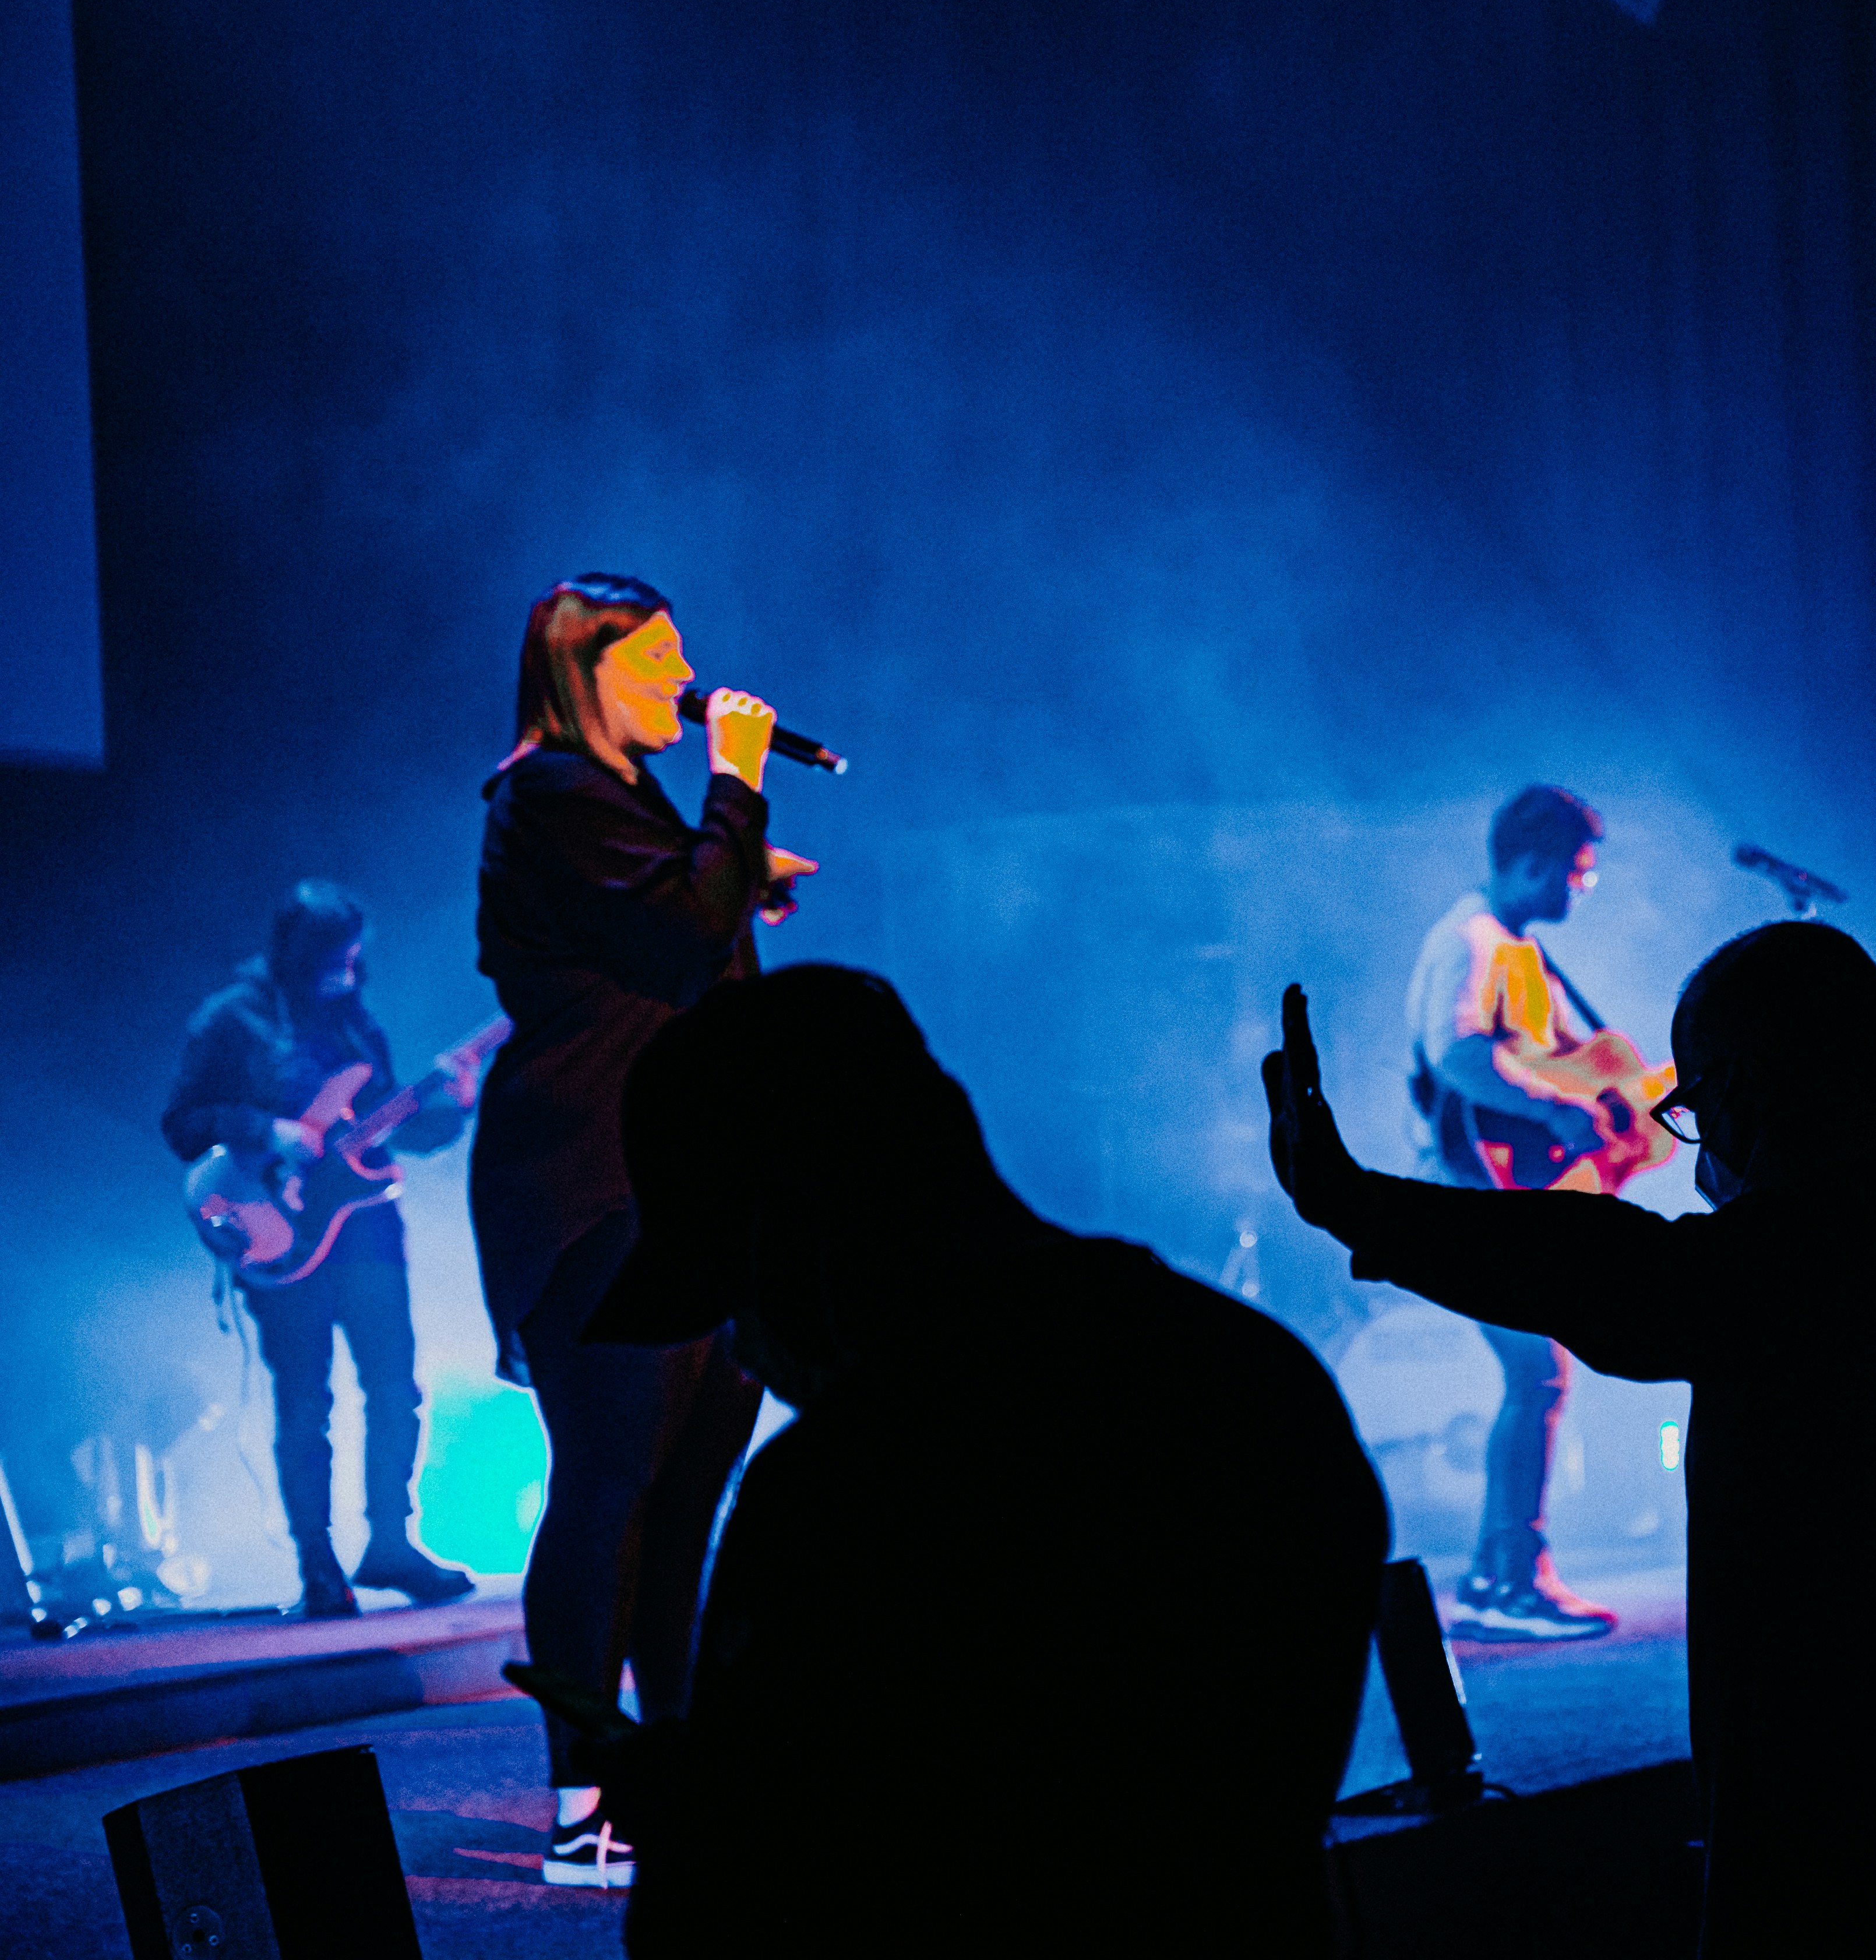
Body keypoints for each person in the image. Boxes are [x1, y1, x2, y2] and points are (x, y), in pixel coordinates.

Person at [1274, 797, 1876, 1953]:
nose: (1693, 1170)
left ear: (1743, 1092)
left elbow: (1576, 1256)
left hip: (1818, 1908)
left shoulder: (1772, 1272)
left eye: (1691, 1109)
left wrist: (1354, 1197)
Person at [572, 964, 1387, 1958]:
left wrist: (700, 1813)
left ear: (791, 1224)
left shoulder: (837, 1493)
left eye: (732, 1290)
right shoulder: (1259, 1378)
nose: (740, 1349)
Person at [468, 573, 816, 1889]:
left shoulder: (621, 804)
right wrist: (738, 788)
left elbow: (676, 929)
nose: (687, 676)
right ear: (585, 672)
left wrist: (743, 871)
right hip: (592, 1178)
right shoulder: (549, 790)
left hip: (687, 1174)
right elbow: (674, 938)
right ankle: (582, 1803)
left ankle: (679, 1768)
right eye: (659, 655)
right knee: (609, 1486)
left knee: (683, 1494)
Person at [161, 880, 486, 1618]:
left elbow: (389, 1125)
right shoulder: (232, 1019)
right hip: (276, 1227)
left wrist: (452, 1108)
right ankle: (318, 1562)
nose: (348, 966)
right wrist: (270, 1132)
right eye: (335, 954)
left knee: (396, 1387)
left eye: (354, 954)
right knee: (306, 1399)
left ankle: (392, 1543)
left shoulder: (355, 1025)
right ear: (298, 951)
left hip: (367, 1229)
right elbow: (183, 1121)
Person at [1402, 782, 1627, 1640]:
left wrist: (1606, 1103)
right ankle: (1510, 1582)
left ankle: (1503, 1576)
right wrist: (1555, 1111)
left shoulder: (1519, 950)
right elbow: (1458, 1057)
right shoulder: (1471, 942)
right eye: (1576, 871)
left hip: (1503, 1197)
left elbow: (1574, 1061)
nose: (1581, 888)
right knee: (1535, 1374)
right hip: (1472, 1197)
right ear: (1530, 864)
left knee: (1537, 1376)